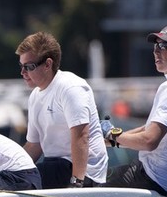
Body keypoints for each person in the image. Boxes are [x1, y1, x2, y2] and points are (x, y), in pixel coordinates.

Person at [104, 25, 167, 196]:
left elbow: (149, 141)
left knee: (87, 180)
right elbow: (149, 128)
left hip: (151, 178)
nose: (157, 52)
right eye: (156, 46)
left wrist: (112, 136)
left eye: (164, 46)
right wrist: (111, 139)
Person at [15, 32, 108, 188]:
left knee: (19, 182)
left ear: (47, 64)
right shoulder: (35, 96)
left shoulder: (70, 87)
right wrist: (9, 167)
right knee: (10, 178)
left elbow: (81, 137)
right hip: (56, 167)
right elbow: (34, 146)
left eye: (28, 66)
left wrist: (77, 183)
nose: (22, 72)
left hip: (83, 173)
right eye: (21, 66)